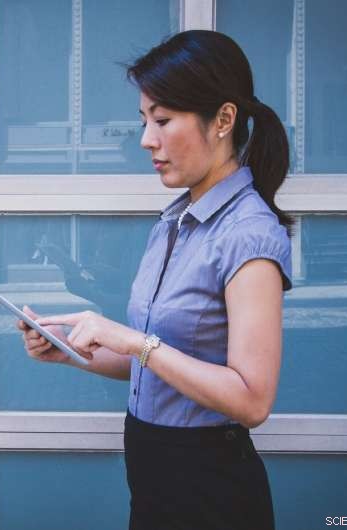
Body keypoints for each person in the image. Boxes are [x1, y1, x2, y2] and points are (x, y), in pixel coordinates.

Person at [17, 30, 292, 530]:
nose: (146, 139)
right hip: (152, 473)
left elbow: (252, 400)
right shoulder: (173, 222)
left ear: (224, 120)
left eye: (162, 120)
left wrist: (134, 341)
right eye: (144, 120)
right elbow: (156, 361)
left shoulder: (248, 234)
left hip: (209, 487)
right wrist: (72, 351)